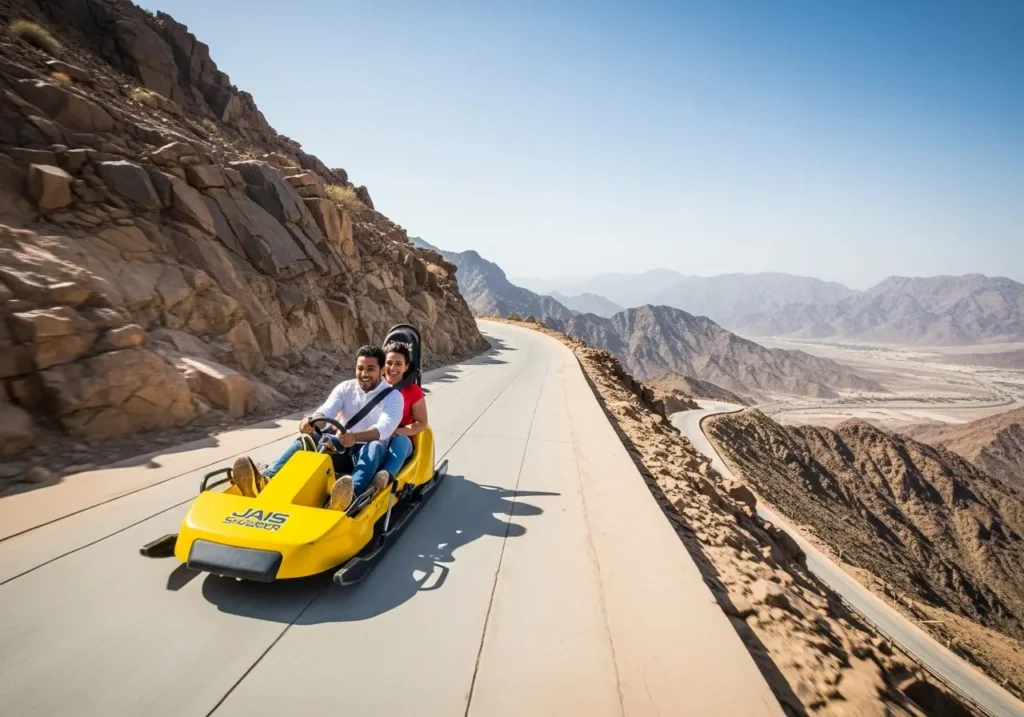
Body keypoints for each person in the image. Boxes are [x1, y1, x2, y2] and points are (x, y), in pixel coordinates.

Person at [231, 345, 403, 511]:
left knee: (373, 447)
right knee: (308, 439)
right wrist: (311, 422)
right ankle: (266, 480)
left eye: (370, 369)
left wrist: (355, 437)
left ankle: (349, 498)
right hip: (341, 444)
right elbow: (326, 411)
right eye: (360, 368)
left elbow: (384, 428)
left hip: (370, 449)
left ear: (382, 371)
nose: (364, 374)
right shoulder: (346, 388)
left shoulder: (394, 397)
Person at [379, 340, 428, 480]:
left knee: (401, 442)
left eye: (398, 364)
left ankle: (384, 479)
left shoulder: (414, 391)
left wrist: (395, 432)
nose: (392, 368)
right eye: (389, 363)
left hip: (400, 437)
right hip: (375, 434)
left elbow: (422, 423)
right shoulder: (374, 386)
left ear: (406, 367)